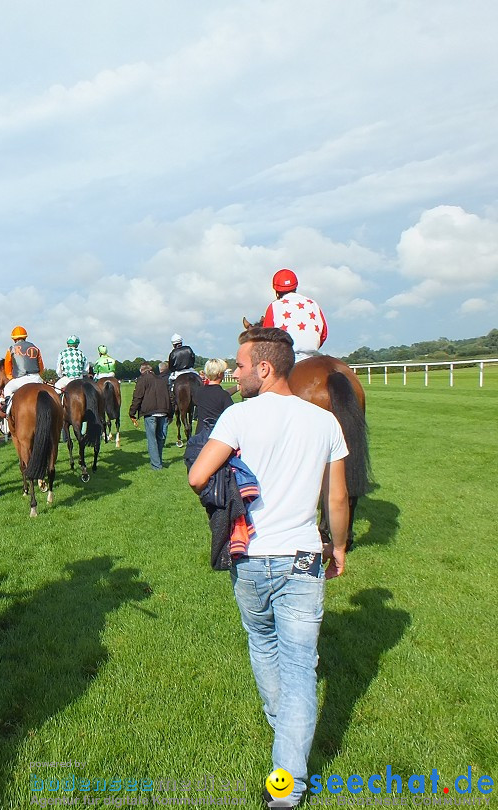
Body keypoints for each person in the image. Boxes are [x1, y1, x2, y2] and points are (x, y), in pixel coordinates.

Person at [187, 327, 349, 809]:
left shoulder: (237, 415)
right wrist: (338, 548)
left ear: (264, 367)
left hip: (251, 554)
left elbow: (197, 476)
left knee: (264, 644)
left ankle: (286, 744)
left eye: (238, 366)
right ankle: (290, 776)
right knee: (302, 667)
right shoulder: (325, 422)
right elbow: (336, 497)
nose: (233, 374)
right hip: (303, 553)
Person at [260, 268, 328, 362]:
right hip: (313, 354)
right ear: (296, 286)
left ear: (276, 289)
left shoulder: (274, 306)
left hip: (287, 357)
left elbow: (266, 336)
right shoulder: (312, 303)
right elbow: (324, 334)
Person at [128, 363, 172, 470]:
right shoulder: (162, 380)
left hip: (150, 413)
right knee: (160, 438)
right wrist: (171, 413)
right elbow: (171, 397)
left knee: (152, 440)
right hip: (164, 411)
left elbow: (137, 397)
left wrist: (132, 412)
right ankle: (158, 461)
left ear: (142, 371)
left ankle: (156, 465)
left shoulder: (142, 380)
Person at [1, 326, 45, 407]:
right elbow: (41, 366)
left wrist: (11, 378)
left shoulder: (11, 349)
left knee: (7, 389)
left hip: (20, 379)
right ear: (25, 337)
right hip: (36, 378)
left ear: (14, 339)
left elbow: (8, 369)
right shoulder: (35, 348)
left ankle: (7, 408)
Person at [191, 358, 236, 431]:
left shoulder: (198, 391)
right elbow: (232, 415)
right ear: (219, 374)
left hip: (200, 432)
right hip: (216, 432)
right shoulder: (223, 395)